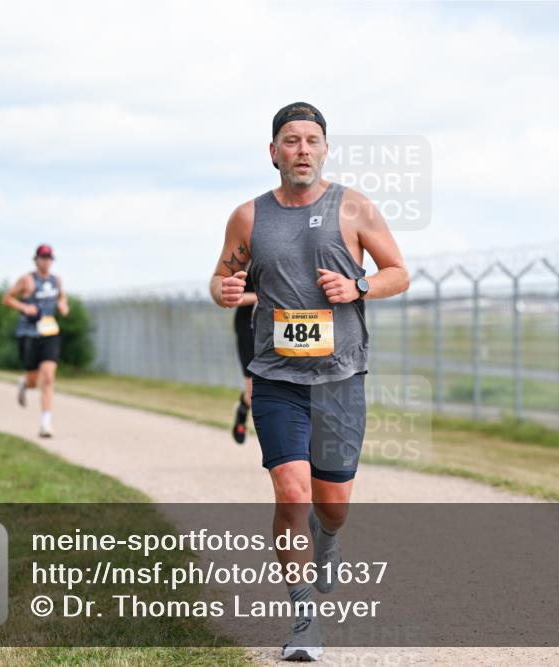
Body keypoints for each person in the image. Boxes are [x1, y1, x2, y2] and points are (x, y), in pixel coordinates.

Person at [210, 102, 409, 661]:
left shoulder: (355, 208)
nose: (302, 150)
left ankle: (329, 538)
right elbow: (223, 274)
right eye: (291, 141)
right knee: (292, 493)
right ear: (273, 151)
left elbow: (399, 271)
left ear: (325, 149)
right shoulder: (248, 217)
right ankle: (303, 619)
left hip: (340, 377)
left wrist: (360, 288)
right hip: (276, 377)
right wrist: (222, 289)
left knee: (333, 503)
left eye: (312, 140)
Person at [2, 244, 69, 438]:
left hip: (50, 332)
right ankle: (24, 383)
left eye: (49, 258)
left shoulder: (57, 280)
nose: (46, 261)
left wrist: (63, 306)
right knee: (33, 380)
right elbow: (6, 298)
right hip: (29, 333)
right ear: (36, 260)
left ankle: (45, 424)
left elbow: (62, 298)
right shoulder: (27, 280)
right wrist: (23, 307)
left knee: (48, 377)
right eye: (42, 257)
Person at [232, 281, 257, 444]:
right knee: (254, 393)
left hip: (280, 325)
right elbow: (232, 296)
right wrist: (261, 296)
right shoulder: (243, 259)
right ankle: (243, 408)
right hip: (247, 326)